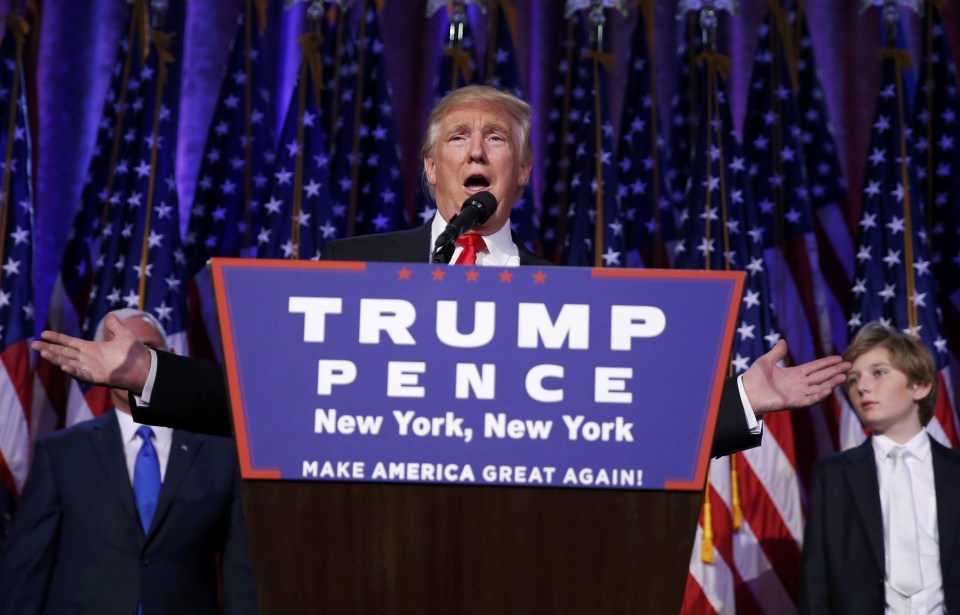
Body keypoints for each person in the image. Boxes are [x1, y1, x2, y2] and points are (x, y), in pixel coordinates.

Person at [31, 85, 849, 458]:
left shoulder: (573, 294)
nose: (478, 150)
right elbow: (270, 399)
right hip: (369, 555)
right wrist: (146, 369)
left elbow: (629, 424)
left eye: (497, 139)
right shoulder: (356, 265)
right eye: (459, 137)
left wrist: (747, 400)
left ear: (520, 174)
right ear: (430, 169)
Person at [0, 309, 258, 615]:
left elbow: (241, 574)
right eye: (116, 351)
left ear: (172, 357)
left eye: (147, 350)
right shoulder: (61, 454)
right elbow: (26, 571)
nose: (129, 362)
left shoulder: (222, 455)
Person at [798, 322, 960, 614]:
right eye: (853, 380)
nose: (862, 387)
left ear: (920, 385)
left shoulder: (955, 471)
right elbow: (816, 581)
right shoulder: (833, 476)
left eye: (879, 373)